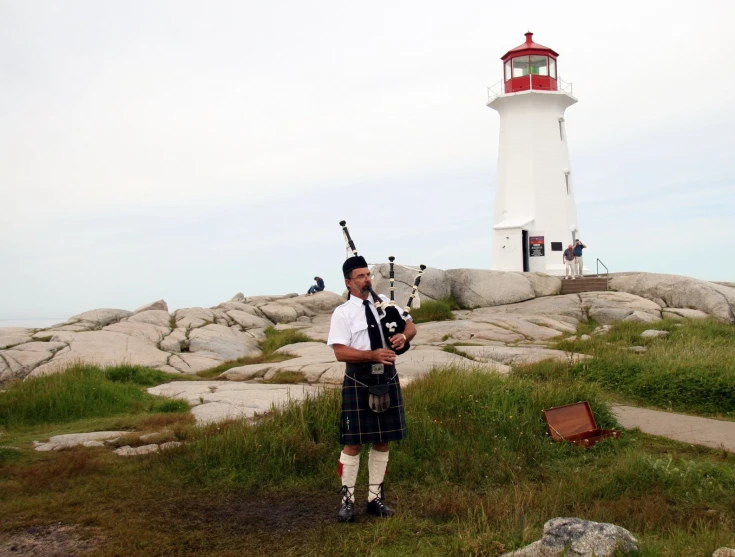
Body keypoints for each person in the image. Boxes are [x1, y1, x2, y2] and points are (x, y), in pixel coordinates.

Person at [327, 255, 417, 523]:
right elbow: (340, 353)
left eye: (368, 275)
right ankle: (347, 501)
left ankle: (375, 499)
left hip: (386, 378)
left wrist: (403, 336)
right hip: (359, 380)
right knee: (352, 444)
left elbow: (410, 326)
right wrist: (373, 355)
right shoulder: (342, 313)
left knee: (382, 440)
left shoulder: (385, 306)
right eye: (361, 277)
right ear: (348, 282)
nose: (367, 280)